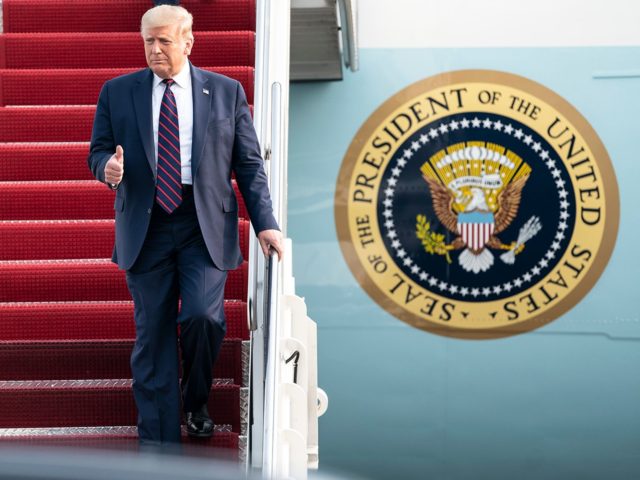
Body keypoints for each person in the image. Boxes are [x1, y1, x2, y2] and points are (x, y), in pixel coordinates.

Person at [87, 5, 283, 447]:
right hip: (147, 226)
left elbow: (248, 164)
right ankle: (159, 447)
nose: (155, 50)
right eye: (148, 42)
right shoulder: (118, 92)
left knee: (202, 317)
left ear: (188, 41)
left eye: (164, 41)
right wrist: (108, 169)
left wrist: (265, 223)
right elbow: (97, 150)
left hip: (203, 224)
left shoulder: (226, 91)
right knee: (153, 334)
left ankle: (196, 399)